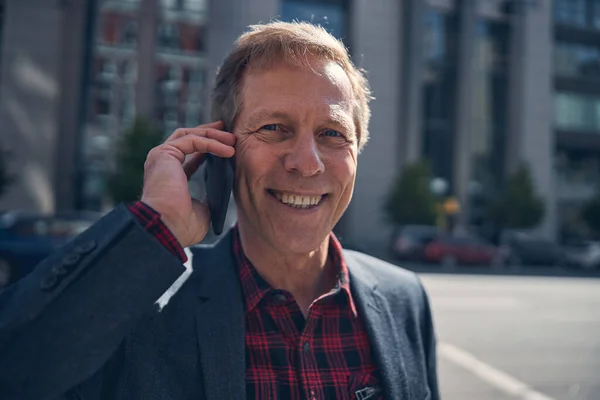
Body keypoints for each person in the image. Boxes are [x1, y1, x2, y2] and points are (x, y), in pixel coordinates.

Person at [0, 21, 439, 400]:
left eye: (331, 133)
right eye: (274, 128)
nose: (307, 163)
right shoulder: (141, 308)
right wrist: (155, 228)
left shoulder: (403, 299)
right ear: (221, 150)